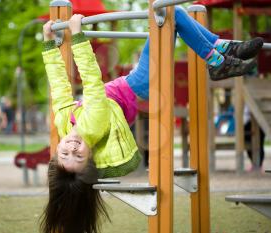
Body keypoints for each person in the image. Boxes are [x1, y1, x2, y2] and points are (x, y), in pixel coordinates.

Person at [40, 7, 263, 233]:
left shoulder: (64, 123)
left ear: (57, 151)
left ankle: (221, 49)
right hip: (140, 84)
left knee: (172, 15)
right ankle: (216, 59)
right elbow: (90, 79)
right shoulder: (92, 126)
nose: (71, 147)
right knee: (169, 13)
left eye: (64, 153)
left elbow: (58, 86)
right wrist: (78, 37)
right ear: (90, 157)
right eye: (78, 156)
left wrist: (49, 45)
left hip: (131, 83)